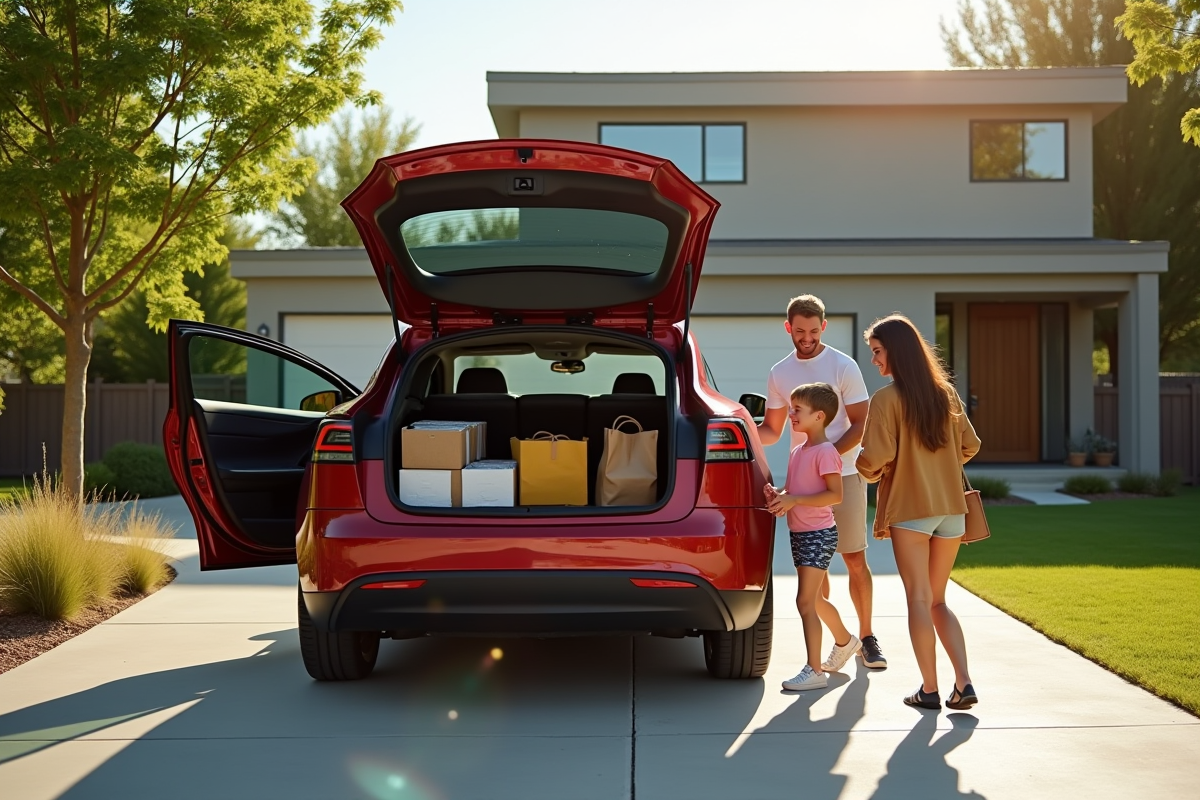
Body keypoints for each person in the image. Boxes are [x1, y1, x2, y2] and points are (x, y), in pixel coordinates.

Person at [856, 314, 982, 711]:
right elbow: (971, 445)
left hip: (912, 510)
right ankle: (964, 684)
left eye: (877, 352)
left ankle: (929, 689)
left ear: (896, 351)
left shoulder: (886, 399)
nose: (875, 361)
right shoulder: (946, 394)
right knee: (938, 600)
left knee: (917, 598)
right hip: (951, 509)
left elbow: (873, 459)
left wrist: (870, 467)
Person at [758, 294, 886, 670]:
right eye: (800, 331)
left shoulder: (842, 365)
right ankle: (838, 640)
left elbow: (863, 423)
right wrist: (739, 427)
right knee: (819, 568)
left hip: (842, 475)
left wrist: (826, 454)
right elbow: (772, 430)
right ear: (789, 329)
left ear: (823, 327)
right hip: (803, 484)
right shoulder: (780, 373)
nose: (807, 337)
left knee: (854, 558)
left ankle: (867, 637)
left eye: (814, 331)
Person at [766, 383, 859, 691]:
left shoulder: (827, 452)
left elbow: (834, 495)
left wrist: (794, 501)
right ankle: (845, 641)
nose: (790, 414)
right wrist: (779, 496)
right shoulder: (797, 451)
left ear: (818, 416)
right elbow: (795, 493)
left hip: (819, 534)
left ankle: (814, 669)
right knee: (815, 599)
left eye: (796, 410)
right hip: (801, 533)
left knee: (804, 601)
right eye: (790, 408)